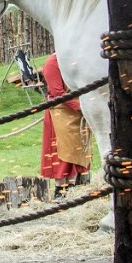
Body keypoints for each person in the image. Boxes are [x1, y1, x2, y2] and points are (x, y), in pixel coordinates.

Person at [39, 53, 91, 198]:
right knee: (60, 151)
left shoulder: (75, 60)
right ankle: (60, 189)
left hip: (76, 113)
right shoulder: (53, 62)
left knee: (76, 149)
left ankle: (72, 187)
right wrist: (79, 105)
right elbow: (57, 92)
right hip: (60, 112)